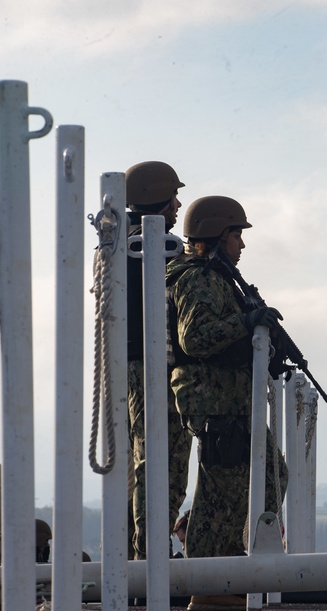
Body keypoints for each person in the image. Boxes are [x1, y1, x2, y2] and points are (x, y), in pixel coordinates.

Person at [165, 195, 288, 611]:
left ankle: (226, 573)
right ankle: (208, 585)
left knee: (267, 478)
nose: (242, 243)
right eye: (236, 233)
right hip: (213, 401)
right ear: (216, 236)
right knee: (223, 492)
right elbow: (195, 338)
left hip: (231, 400)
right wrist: (247, 322)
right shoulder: (197, 279)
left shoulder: (219, 276)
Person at [124, 161, 193, 560]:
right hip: (156, 366)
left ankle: (142, 555)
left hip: (137, 363)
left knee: (145, 461)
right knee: (163, 462)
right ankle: (151, 556)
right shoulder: (159, 246)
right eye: (172, 197)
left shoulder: (122, 242)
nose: (178, 204)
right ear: (156, 197)